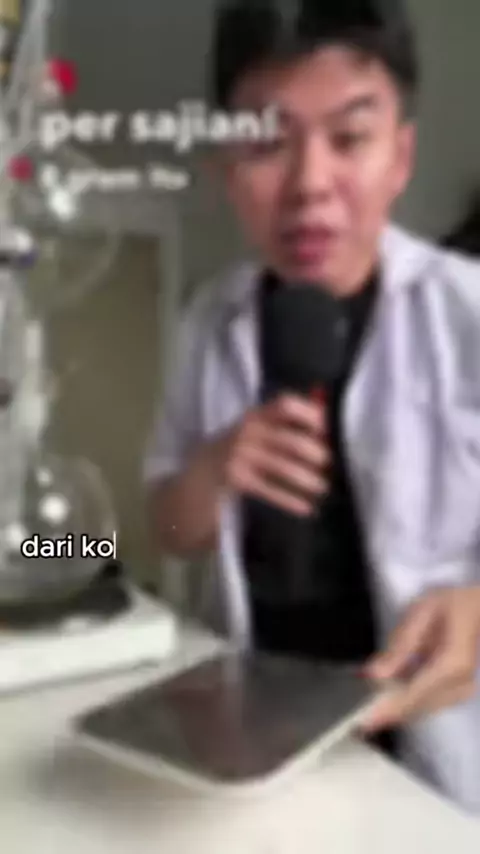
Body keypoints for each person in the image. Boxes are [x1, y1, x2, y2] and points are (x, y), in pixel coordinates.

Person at [143, 0, 480, 812]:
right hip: (259, 744)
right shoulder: (207, 320)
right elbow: (165, 529)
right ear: (227, 167)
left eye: (350, 138)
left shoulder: (466, 314)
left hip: (436, 760)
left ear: (400, 156)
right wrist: (213, 472)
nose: (309, 185)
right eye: (267, 144)